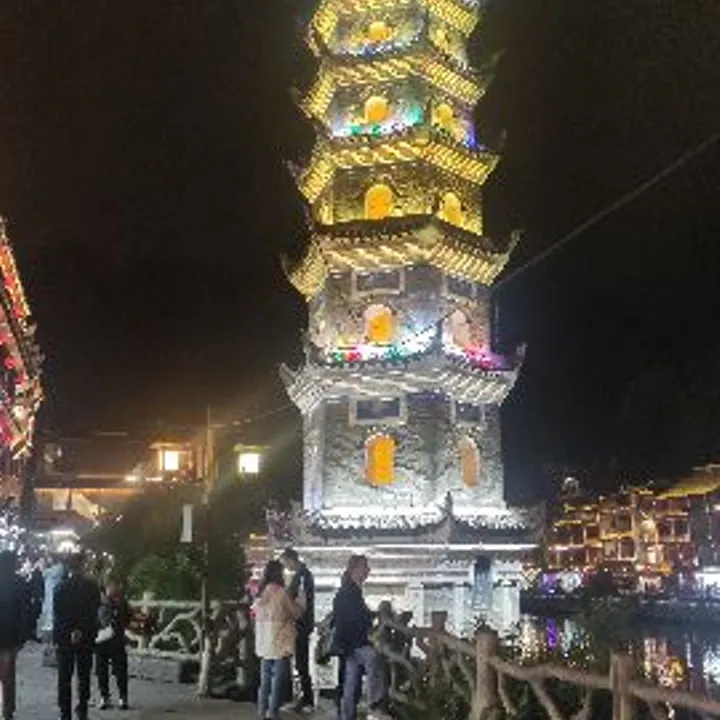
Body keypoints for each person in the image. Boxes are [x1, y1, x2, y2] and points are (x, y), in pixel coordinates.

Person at [333, 555, 389, 720]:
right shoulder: (350, 591)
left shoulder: (349, 590)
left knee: (350, 683)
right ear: (354, 569)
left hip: (347, 645)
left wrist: (372, 615)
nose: (368, 570)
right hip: (355, 643)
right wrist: (373, 618)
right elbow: (356, 617)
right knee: (375, 659)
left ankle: (347, 715)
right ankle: (375, 704)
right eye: (365, 567)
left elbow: (357, 614)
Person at [254, 559, 304, 720]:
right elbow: (295, 612)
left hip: (264, 642)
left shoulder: (260, 593)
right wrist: (301, 601)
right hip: (279, 642)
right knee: (278, 680)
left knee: (265, 680)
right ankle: (272, 712)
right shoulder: (281, 593)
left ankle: (262, 711)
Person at [54, 553, 101, 720]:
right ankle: (82, 709)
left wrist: (71, 629)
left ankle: (65, 713)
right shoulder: (92, 587)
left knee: (64, 676)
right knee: (84, 675)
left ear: (68, 567)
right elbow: (93, 610)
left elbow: (59, 613)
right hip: (86, 634)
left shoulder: (61, 587)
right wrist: (80, 629)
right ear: (83, 566)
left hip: (65, 636)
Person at [280, 547, 315, 713]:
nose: (285, 567)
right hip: (303, 624)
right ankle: (304, 698)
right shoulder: (303, 575)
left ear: (291, 560)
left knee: (301, 662)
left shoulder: (301, 577)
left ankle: (307, 699)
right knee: (301, 662)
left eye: (285, 563)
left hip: (301, 624)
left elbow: (300, 602)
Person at [95, 577, 132, 710]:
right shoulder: (98, 601)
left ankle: (123, 697)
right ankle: (104, 697)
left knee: (121, 670)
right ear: (106, 588)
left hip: (117, 641)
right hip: (101, 641)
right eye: (112, 586)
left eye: (116, 586)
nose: (115, 588)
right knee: (101, 671)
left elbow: (128, 618)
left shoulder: (122, 602)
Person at [0, 551, 27, 720]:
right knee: (8, 676)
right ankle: (8, 710)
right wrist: (21, 639)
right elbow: (23, 612)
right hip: (9, 637)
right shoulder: (18, 582)